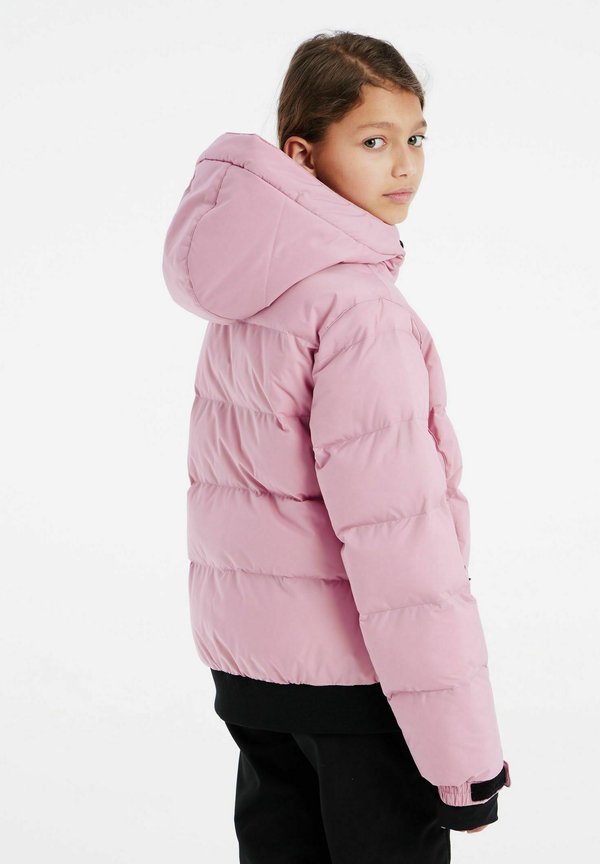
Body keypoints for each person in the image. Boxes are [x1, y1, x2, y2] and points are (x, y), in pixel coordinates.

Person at [162, 29, 511, 864]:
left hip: (255, 679)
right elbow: (400, 545)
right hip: (356, 689)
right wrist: (465, 765)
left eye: (416, 138)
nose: (405, 166)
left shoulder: (249, 296)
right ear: (302, 153)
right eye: (373, 141)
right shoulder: (359, 312)